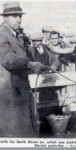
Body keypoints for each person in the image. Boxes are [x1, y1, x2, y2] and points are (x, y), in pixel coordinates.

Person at [0, 2, 46, 137]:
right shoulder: (2, 34)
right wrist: (29, 64)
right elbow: (7, 58)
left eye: (19, 16)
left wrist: (36, 65)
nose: (18, 19)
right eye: (14, 16)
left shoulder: (17, 36)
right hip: (8, 92)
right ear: (5, 18)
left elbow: (24, 58)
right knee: (12, 132)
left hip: (20, 90)